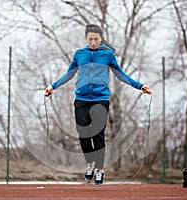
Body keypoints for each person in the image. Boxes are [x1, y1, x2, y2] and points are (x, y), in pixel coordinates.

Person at [44, 24, 151, 186]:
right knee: (83, 133)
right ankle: (91, 165)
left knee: (98, 134)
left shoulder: (107, 55)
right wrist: (53, 86)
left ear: (101, 39)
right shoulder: (79, 54)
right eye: (90, 39)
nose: (93, 42)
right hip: (81, 100)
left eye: (96, 39)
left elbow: (121, 75)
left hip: (100, 99)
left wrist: (139, 85)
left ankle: (100, 170)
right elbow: (69, 73)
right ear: (86, 39)